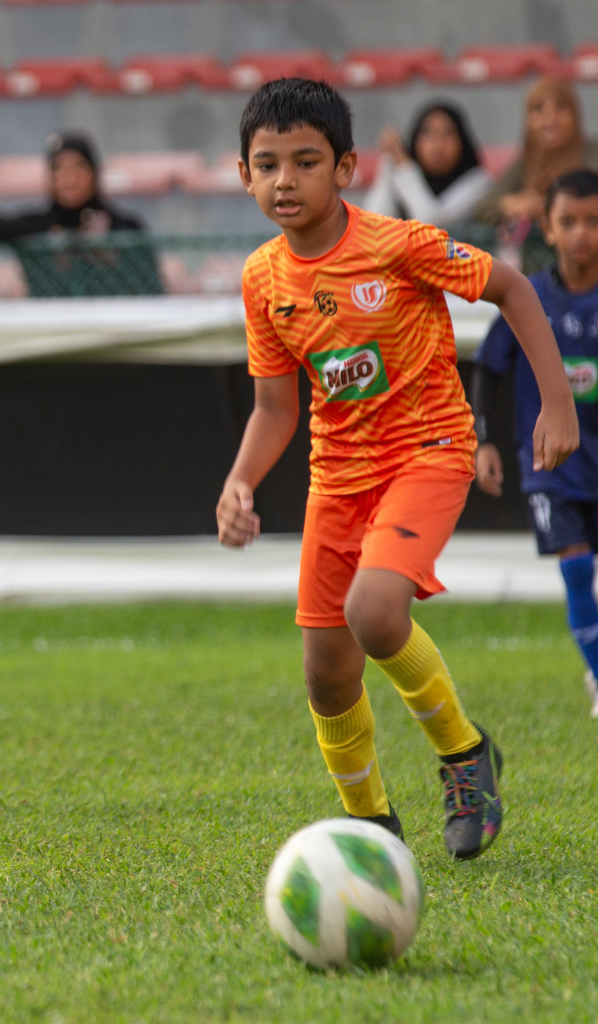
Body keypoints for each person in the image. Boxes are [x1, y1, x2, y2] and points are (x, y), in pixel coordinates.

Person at [216, 78, 578, 861]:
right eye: (267, 164)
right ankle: (371, 827)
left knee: (375, 612)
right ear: (243, 174)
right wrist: (239, 481)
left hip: (426, 454)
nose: (286, 180)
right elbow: (276, 408)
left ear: (346, 167)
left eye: (306, 162)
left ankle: (464, 754)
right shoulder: (262, 279)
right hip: (335, 479)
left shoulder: (398, 244)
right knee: (325, 676)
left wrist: (556, 402)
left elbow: (511, 288)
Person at [474, 170, 598, 716]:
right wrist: (483, 440)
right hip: (551, 463)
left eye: (593, 221)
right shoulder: (529, 297)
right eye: (568, 221)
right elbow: (489, 366)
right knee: (575, 568)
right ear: (546, 228)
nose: (581, 234)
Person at [0, 132, 161, 297]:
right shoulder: (41, 223)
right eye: (58, 169)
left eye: (78, 167)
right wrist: (49, 236)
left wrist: (105, 250)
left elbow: (149, 284)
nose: (68, 177)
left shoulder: (122, 225)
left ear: (93, 173)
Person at [475, 77, 598, 229]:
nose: (550, 119)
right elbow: (483, 206)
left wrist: (550, 205)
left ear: (575, 114)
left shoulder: (592, 154)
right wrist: (512, 204)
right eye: (539, 109)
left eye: (560, 107)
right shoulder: (527, 161)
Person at [362, 102, 492, 228]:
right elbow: (373, 223)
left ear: (462, 142)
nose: (437, 143)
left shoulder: (479, 183)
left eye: (447, 134)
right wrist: (389, 165)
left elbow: (431, 225)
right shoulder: (402, 170)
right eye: (428, 134)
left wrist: (405, 168)